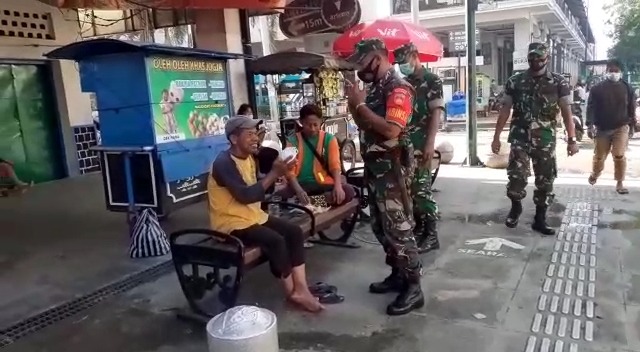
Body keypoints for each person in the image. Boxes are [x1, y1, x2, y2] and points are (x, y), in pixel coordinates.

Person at [208, 116, 323, 313]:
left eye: (256, 134)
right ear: (234, 139)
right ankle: (292, 293)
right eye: (250, 134)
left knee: (294, 231)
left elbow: (258, 186)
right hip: (230, 224)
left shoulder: (249, 158)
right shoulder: (223, 162)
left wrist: (281, 172)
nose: (256, 139)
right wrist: (274, 174)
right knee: (275, 240)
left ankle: (302, 288)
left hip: (252, 216)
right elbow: (245, 195)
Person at [346, 39, 423, 316]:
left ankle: (414, 287)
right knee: (382, 228)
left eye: (362, 63)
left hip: (392, 171)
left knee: (399, 230)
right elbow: (365, 125)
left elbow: (391, 130)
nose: (359, 70)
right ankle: (398, 273)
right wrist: (356, 107)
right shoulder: (378, 89)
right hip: (376, 170)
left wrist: (360, 106)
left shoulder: (398, 88)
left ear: (377, 58)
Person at [491, 42, 579, 236]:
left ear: (547, 59)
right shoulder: (515, 81)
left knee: (545, 180)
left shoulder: (558, 83)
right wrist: (496, 137)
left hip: (545, 139)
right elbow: (506, 109)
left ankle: (540, 218)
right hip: (520, 138)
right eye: (532, 57)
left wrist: (572, 140)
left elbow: (566, 111)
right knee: (516, 177)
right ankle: (516, 208)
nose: (535, 61)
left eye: (540, 57)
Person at [393, 43, 443, 254]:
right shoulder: (404, 82)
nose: (402, 66)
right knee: (411, 192)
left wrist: (430, 142)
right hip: (405, 145)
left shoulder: (431, 80)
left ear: (415, 56)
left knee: (422, 191)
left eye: (404, 62)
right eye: (399, 63)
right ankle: (422, 230)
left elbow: (436, 113)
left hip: (421, 144)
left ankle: (432, 235)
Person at [276, 104, 356, 206]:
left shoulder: (329, 139)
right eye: (308, 125)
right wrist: (299, 191)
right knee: (279, 194)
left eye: (315, 125)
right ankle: (317, 201)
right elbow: (289, 172)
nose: (313, 128)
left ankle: (309, 202)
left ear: (320, 121)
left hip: (323, 183)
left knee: (348, 191)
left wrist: (338, 186)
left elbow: (334, 166)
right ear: (301, 122)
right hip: (300, 184)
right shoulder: (292, 141)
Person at [586, 59, 636, 194]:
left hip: (621, 127)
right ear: (606, 71)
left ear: (621, 72)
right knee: (600, 156)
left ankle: (620, 182)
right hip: (602, 128)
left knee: (619, 154)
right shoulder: (597, 89)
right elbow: (590, 107)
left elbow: (632, 108)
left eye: (616, 71)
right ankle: (595, 173)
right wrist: (589, 126)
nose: (613, 73)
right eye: (611, 71)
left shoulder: (628, 88)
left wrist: (632, 126)